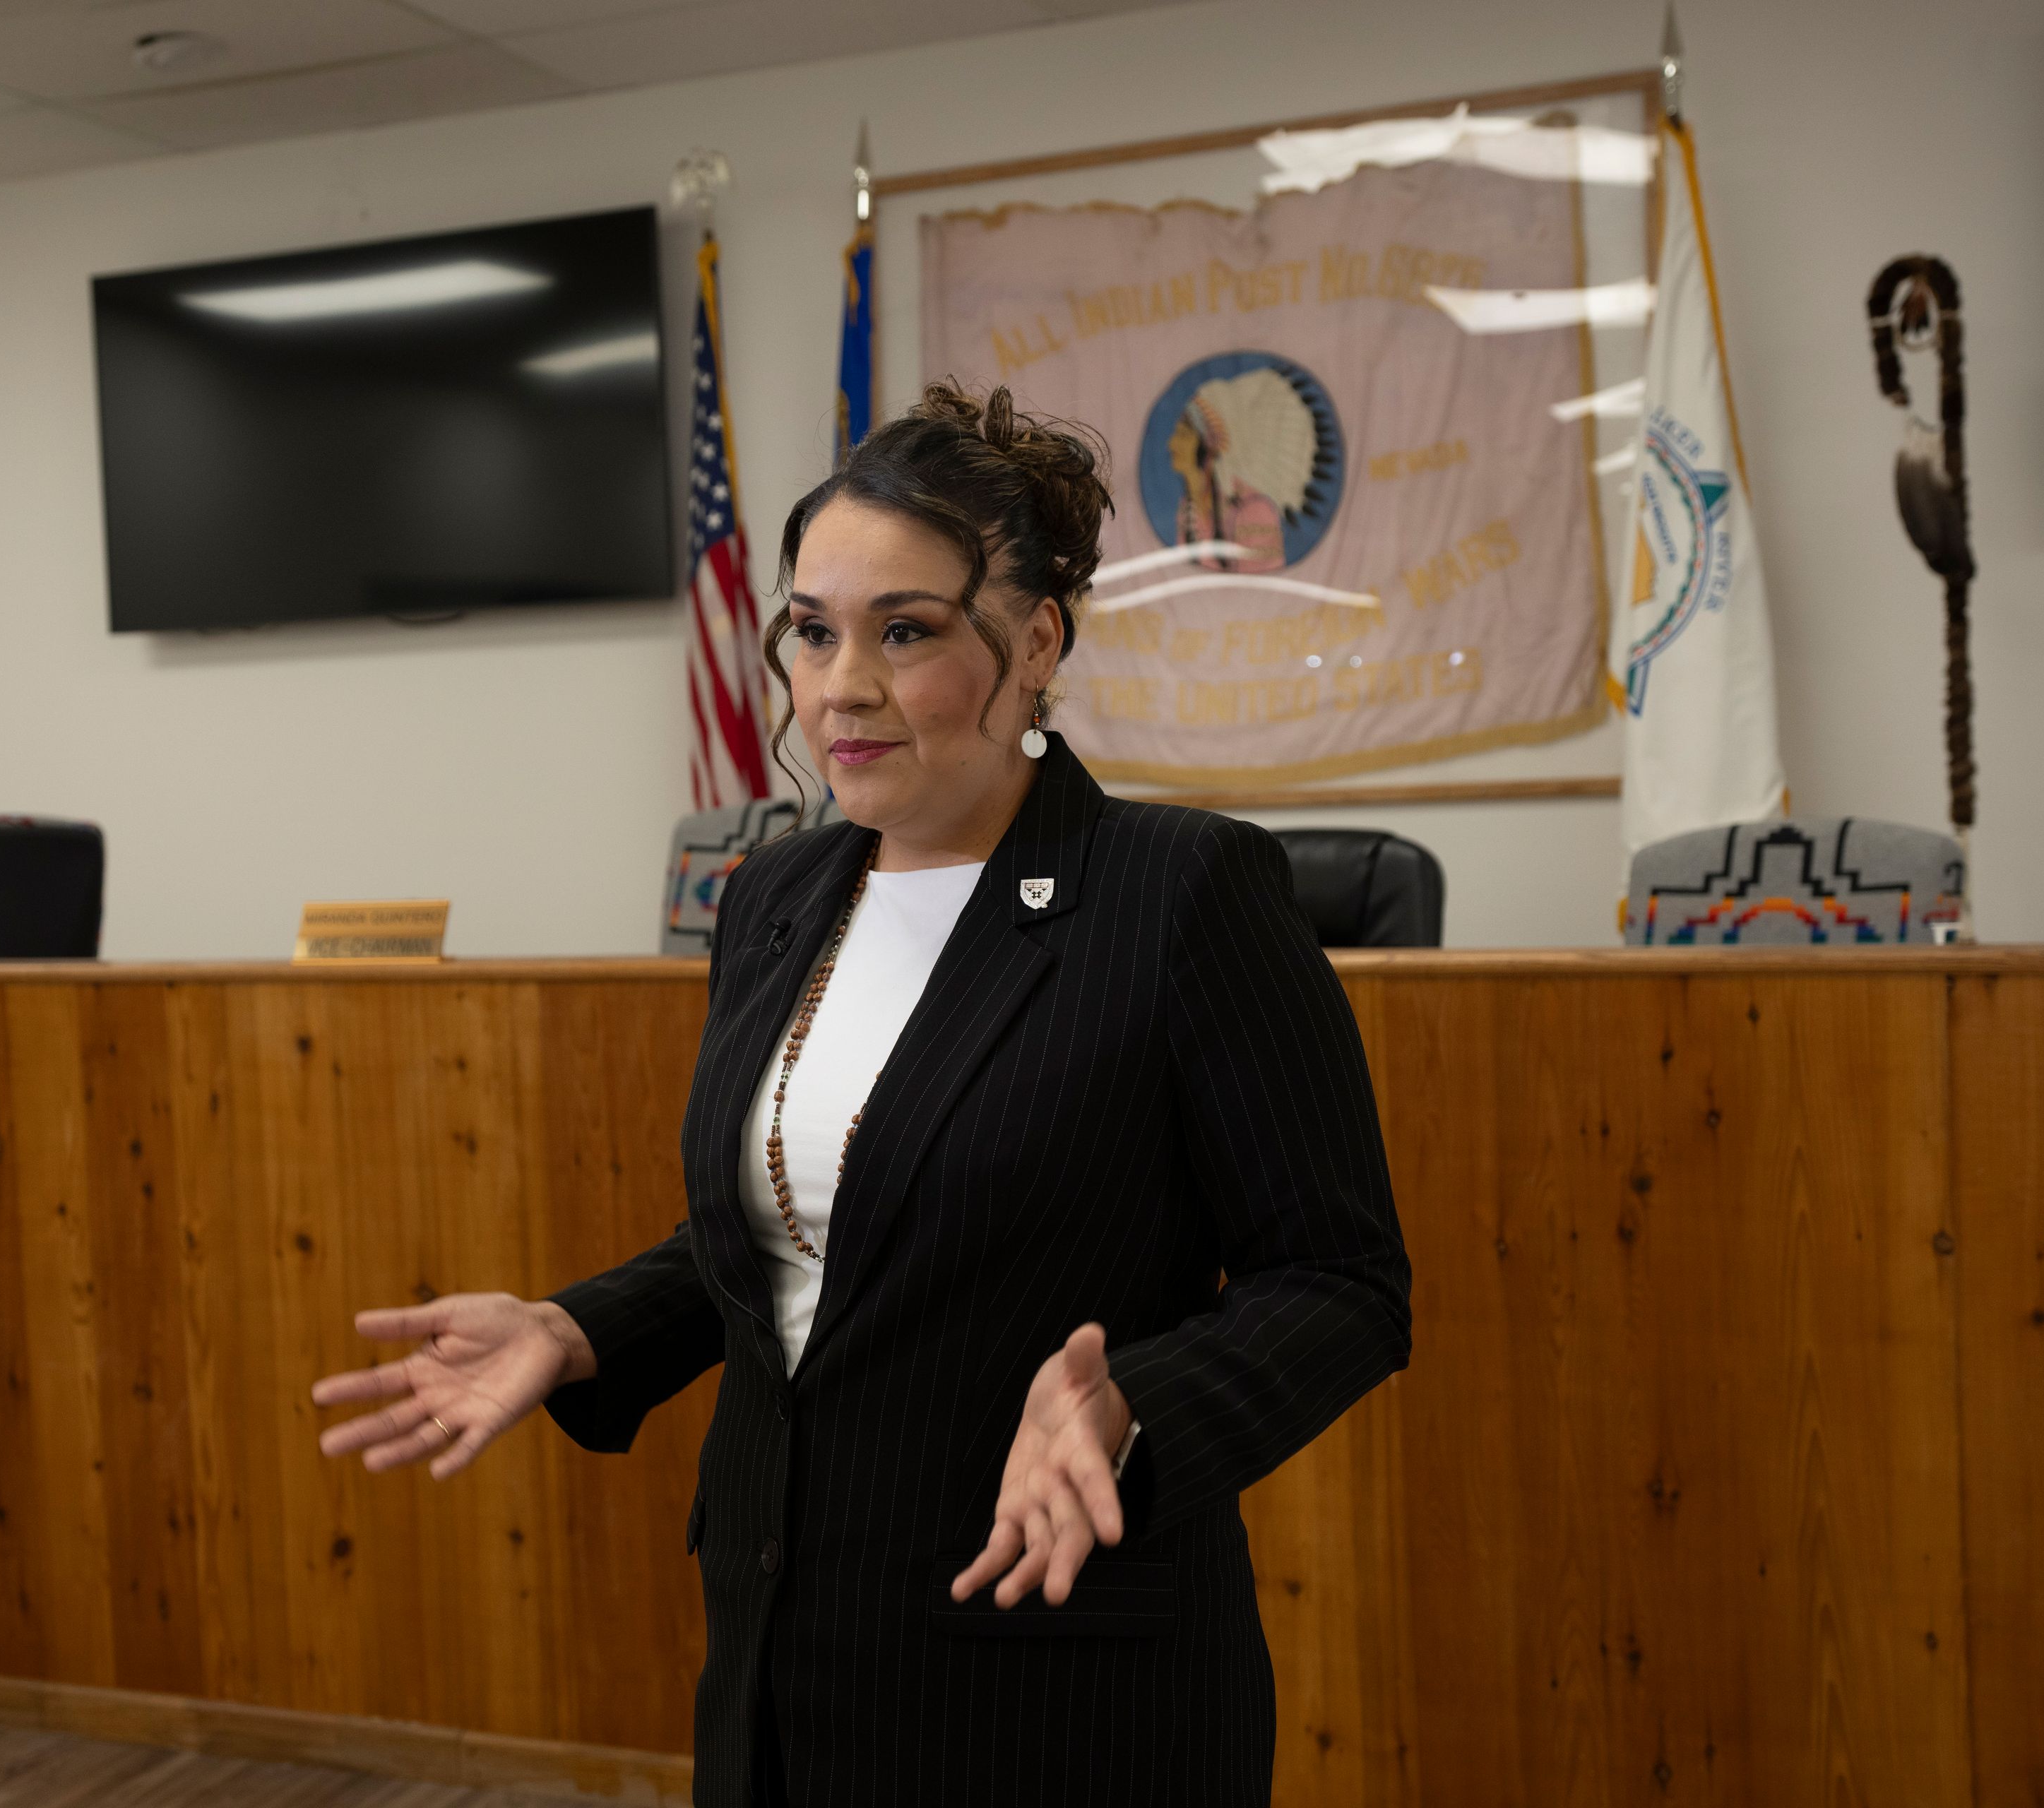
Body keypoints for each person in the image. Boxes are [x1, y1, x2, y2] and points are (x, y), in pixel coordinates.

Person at [312, 383, 1411, 1807]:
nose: (842, 684)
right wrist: (578, 1328)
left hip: (1057, 1663)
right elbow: (815, 1228)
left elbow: (1343, 1277)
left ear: (1034, 645)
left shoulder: (1181, 892)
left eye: (906, 630)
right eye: (813, 632)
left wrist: (1138, 1399)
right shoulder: (776, 895)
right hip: (785, 1649)